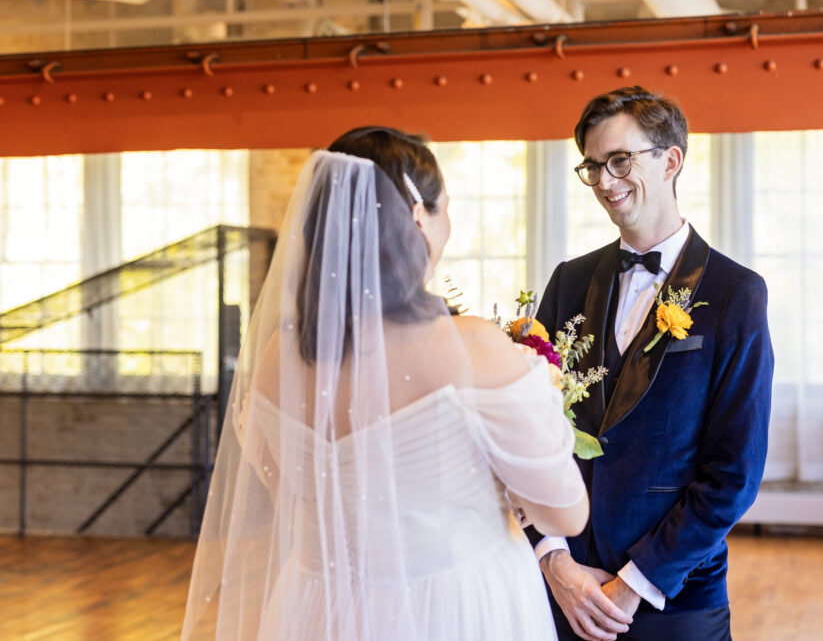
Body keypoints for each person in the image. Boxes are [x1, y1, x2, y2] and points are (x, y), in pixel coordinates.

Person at [181, 126, 589, 640]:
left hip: (319, 606)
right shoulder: (471, 348)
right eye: (446, 209)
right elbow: (568, 513)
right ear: (420, 218)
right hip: (454, 607)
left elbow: (289, 495)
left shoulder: (273, 360)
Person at [530, 87, 774, 641]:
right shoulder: (568, 282)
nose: (604, 181)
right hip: (568, 590)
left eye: (620, 160)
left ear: (671, 160)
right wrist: (553, 560)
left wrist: (634, 583)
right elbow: (527, 432)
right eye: (592, 167)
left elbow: (734, 472)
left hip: (676, 599)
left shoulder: (737, 293)